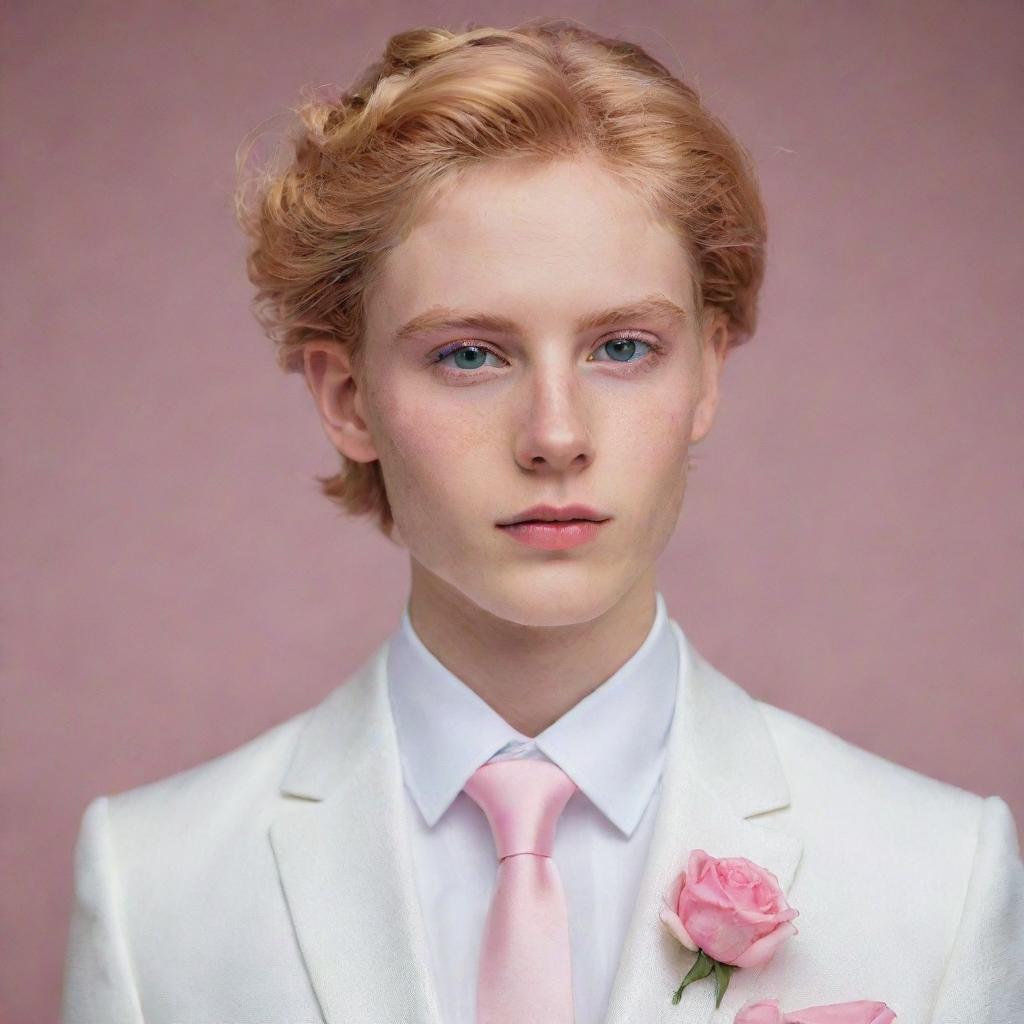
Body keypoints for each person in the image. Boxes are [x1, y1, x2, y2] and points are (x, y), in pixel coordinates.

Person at [60, 17, 1023, 1024]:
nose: (555, 436)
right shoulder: (150, 887)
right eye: (470, 355)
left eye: (622, 347)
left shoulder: (940, 877)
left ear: (707, 372)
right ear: (347, 398)